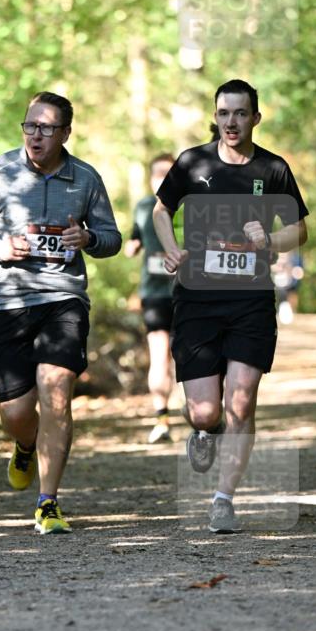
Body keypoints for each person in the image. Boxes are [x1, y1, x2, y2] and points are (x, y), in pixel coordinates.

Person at [0, 91, 122, 535]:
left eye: (47, 128)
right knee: (15, 412)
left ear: (66, 132)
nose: (36, 135)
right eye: (30, 125)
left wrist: (88, 239)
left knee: (57, 393)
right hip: (5, 301)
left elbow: (112, 238)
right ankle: (25, 445)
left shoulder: (84, 178)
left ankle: (48, 503)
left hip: (63, 299)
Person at [153, 79, 309, 533]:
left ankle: (224, 499)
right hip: (198, 300)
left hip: (250, 300)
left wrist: (271, 239)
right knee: (206, 411)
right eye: (224, 113)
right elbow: (162, 210)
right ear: (215, 117)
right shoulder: (192, 162)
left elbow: (299, 229)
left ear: (255, 118)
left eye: (240, 113)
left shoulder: (273, 169)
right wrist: (172, 248)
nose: (232, 122)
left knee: (242, 402)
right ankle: (203, 430)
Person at [125, 154, 177, 444]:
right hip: (155, 294)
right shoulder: (144, 207)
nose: (162, 179)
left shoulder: (188, 205)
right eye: (157, 174)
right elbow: (135, 240)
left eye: (168, 173)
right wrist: (130, 248)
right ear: (150, 178)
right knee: (159, 355)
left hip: (189, 292)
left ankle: (202, 415)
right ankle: (162, 419)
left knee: (190, 357)